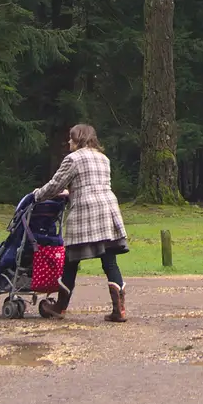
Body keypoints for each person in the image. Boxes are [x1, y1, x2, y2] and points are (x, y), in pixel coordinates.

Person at [34, 124, 129, 321]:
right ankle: (119, 310)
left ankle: (60, 307)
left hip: (86, 212)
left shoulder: (73, 159)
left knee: (70, 262)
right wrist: (72, 192)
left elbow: (55, 185)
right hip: (107, 210)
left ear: (79, 139)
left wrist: (37, 195)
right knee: (110, 261)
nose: (69, 142)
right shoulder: (104, 158)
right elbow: (93, 184)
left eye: (71, 138)